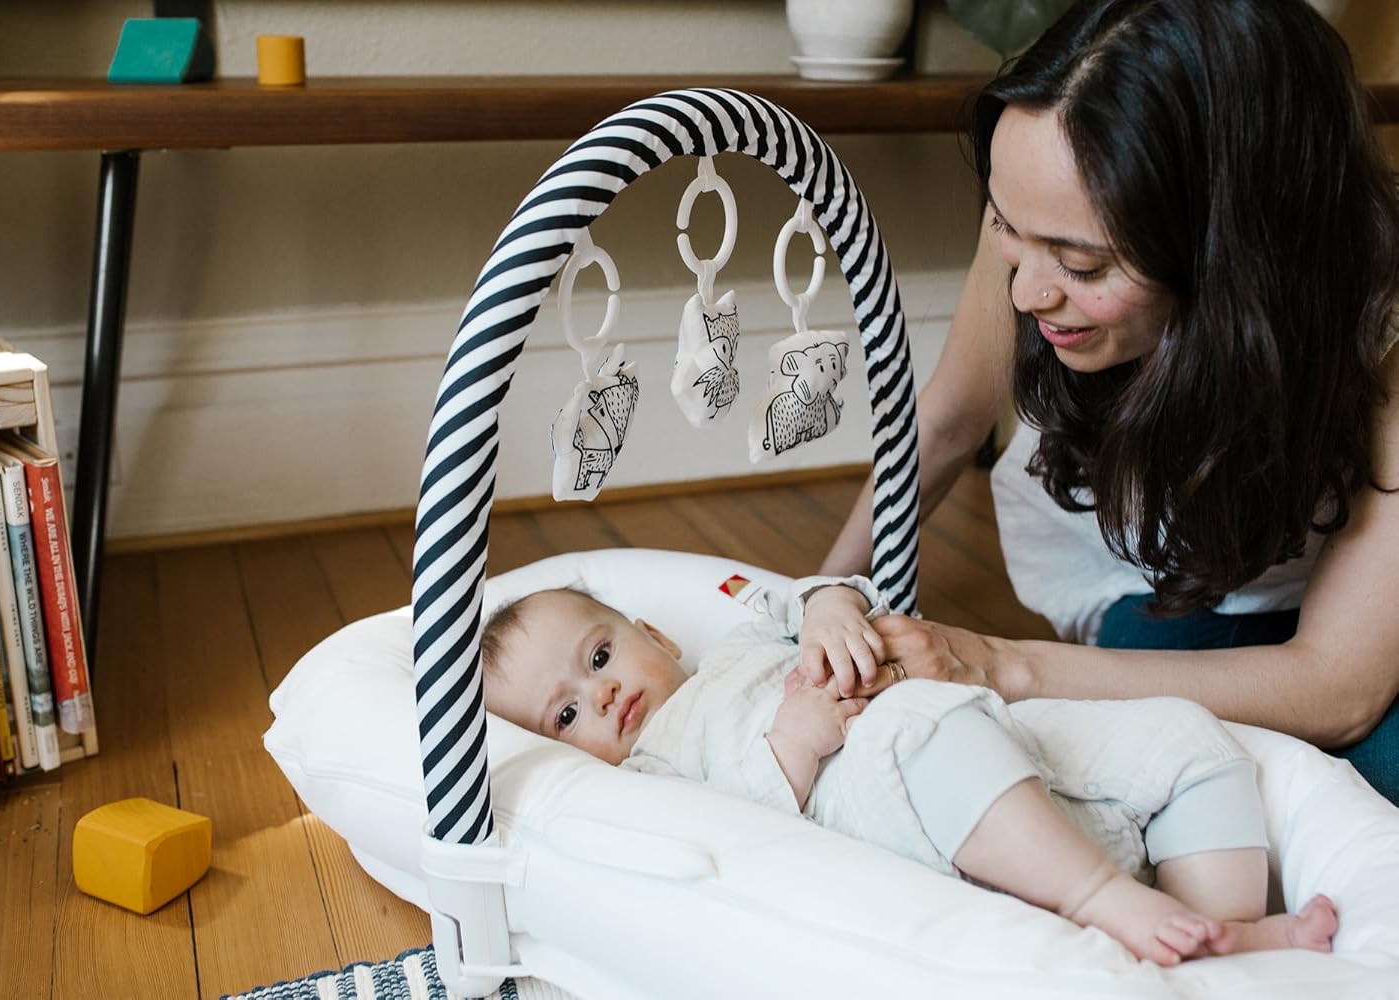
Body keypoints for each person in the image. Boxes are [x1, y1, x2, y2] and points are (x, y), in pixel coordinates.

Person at [820, 0, 1399, 803]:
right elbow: (949, 422)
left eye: (1083, 269)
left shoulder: (1377, 322)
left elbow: (1340, 688)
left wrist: (1000, 662)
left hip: (1332, 605)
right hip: (1151, 585)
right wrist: (816, 595)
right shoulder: (1045, 213)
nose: (1024, 292)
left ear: (1234, 250)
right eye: (1005, 230)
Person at [480, 576, 1339, 966]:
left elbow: (815, 591)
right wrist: (798, 743)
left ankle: (1222, 942)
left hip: (1020, 752)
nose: (603, 698)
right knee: (925, 723)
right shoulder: (652, 773)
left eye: (599, 656)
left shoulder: (738, 643)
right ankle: (1103, 905)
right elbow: (729, 836)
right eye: (566, 717)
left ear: (653, 635)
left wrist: (827, 615)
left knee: (1185, 735)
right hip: (919, 796)